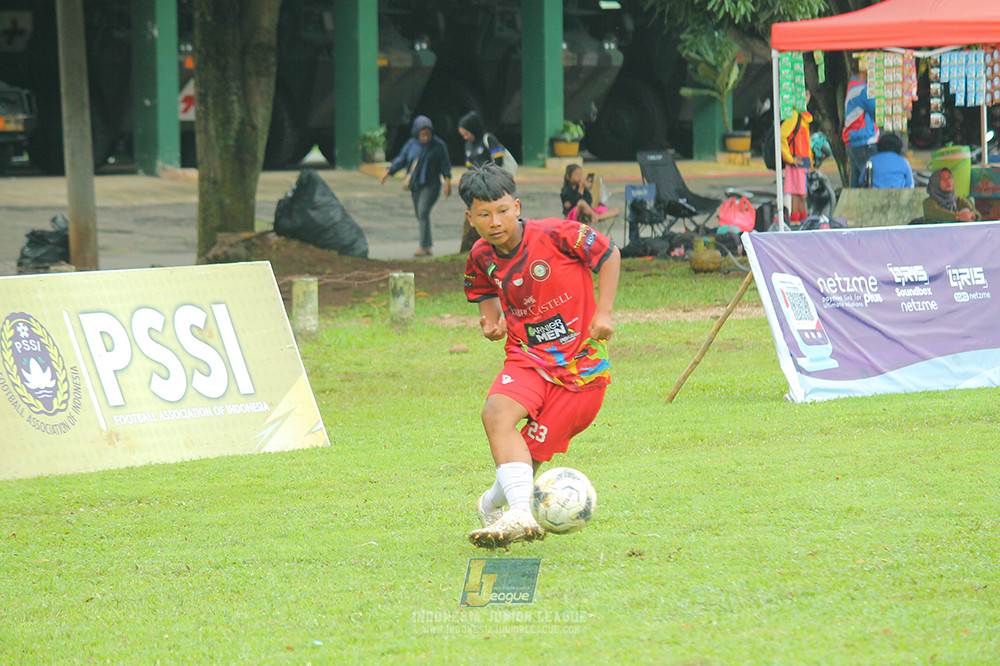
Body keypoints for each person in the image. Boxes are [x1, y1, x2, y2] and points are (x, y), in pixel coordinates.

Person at [459, 164, 621, 549]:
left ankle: (493, 504)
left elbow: (608, 252)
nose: (494, 222)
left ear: (516, 206)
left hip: (581, 367)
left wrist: (605, 311)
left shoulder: (556, 233)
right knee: (496, 415)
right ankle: (520, 514)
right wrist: (489, 321)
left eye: (502, 210)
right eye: (484, 214)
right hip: (527, 356)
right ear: (471, 217)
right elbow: (482, 287)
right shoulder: (481, 255)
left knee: (526, 458)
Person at [379, 115, 452, 257]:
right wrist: (388, 171)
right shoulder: (411, 144)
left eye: (428, 134)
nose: (426, 138)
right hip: (416, 185)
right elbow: (401, 160)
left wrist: (448, 183)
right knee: (420, 214)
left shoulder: (439, 146)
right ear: (417, 133)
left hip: (432, 185)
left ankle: (423, 246)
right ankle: (428, 245)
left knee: (423, 212)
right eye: (423, 134)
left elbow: (445, 165)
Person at [842, 68, 880, 188]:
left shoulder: (853, 87)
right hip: (864, 141)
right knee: (870, 182)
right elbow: (877, 111)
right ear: (864, 69)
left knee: (856, 184)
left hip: (854, 141)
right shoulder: (862, 90)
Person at [780, 93, 812, 226]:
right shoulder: (794, 116)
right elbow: (782, 135)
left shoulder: (803, 118)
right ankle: (797, 221)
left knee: (800, 195)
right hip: (796, 162)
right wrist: (790, 158)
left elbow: (806, 142)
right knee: (799, 195)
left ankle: (800, 222)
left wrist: (810, 160)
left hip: (803, 162)